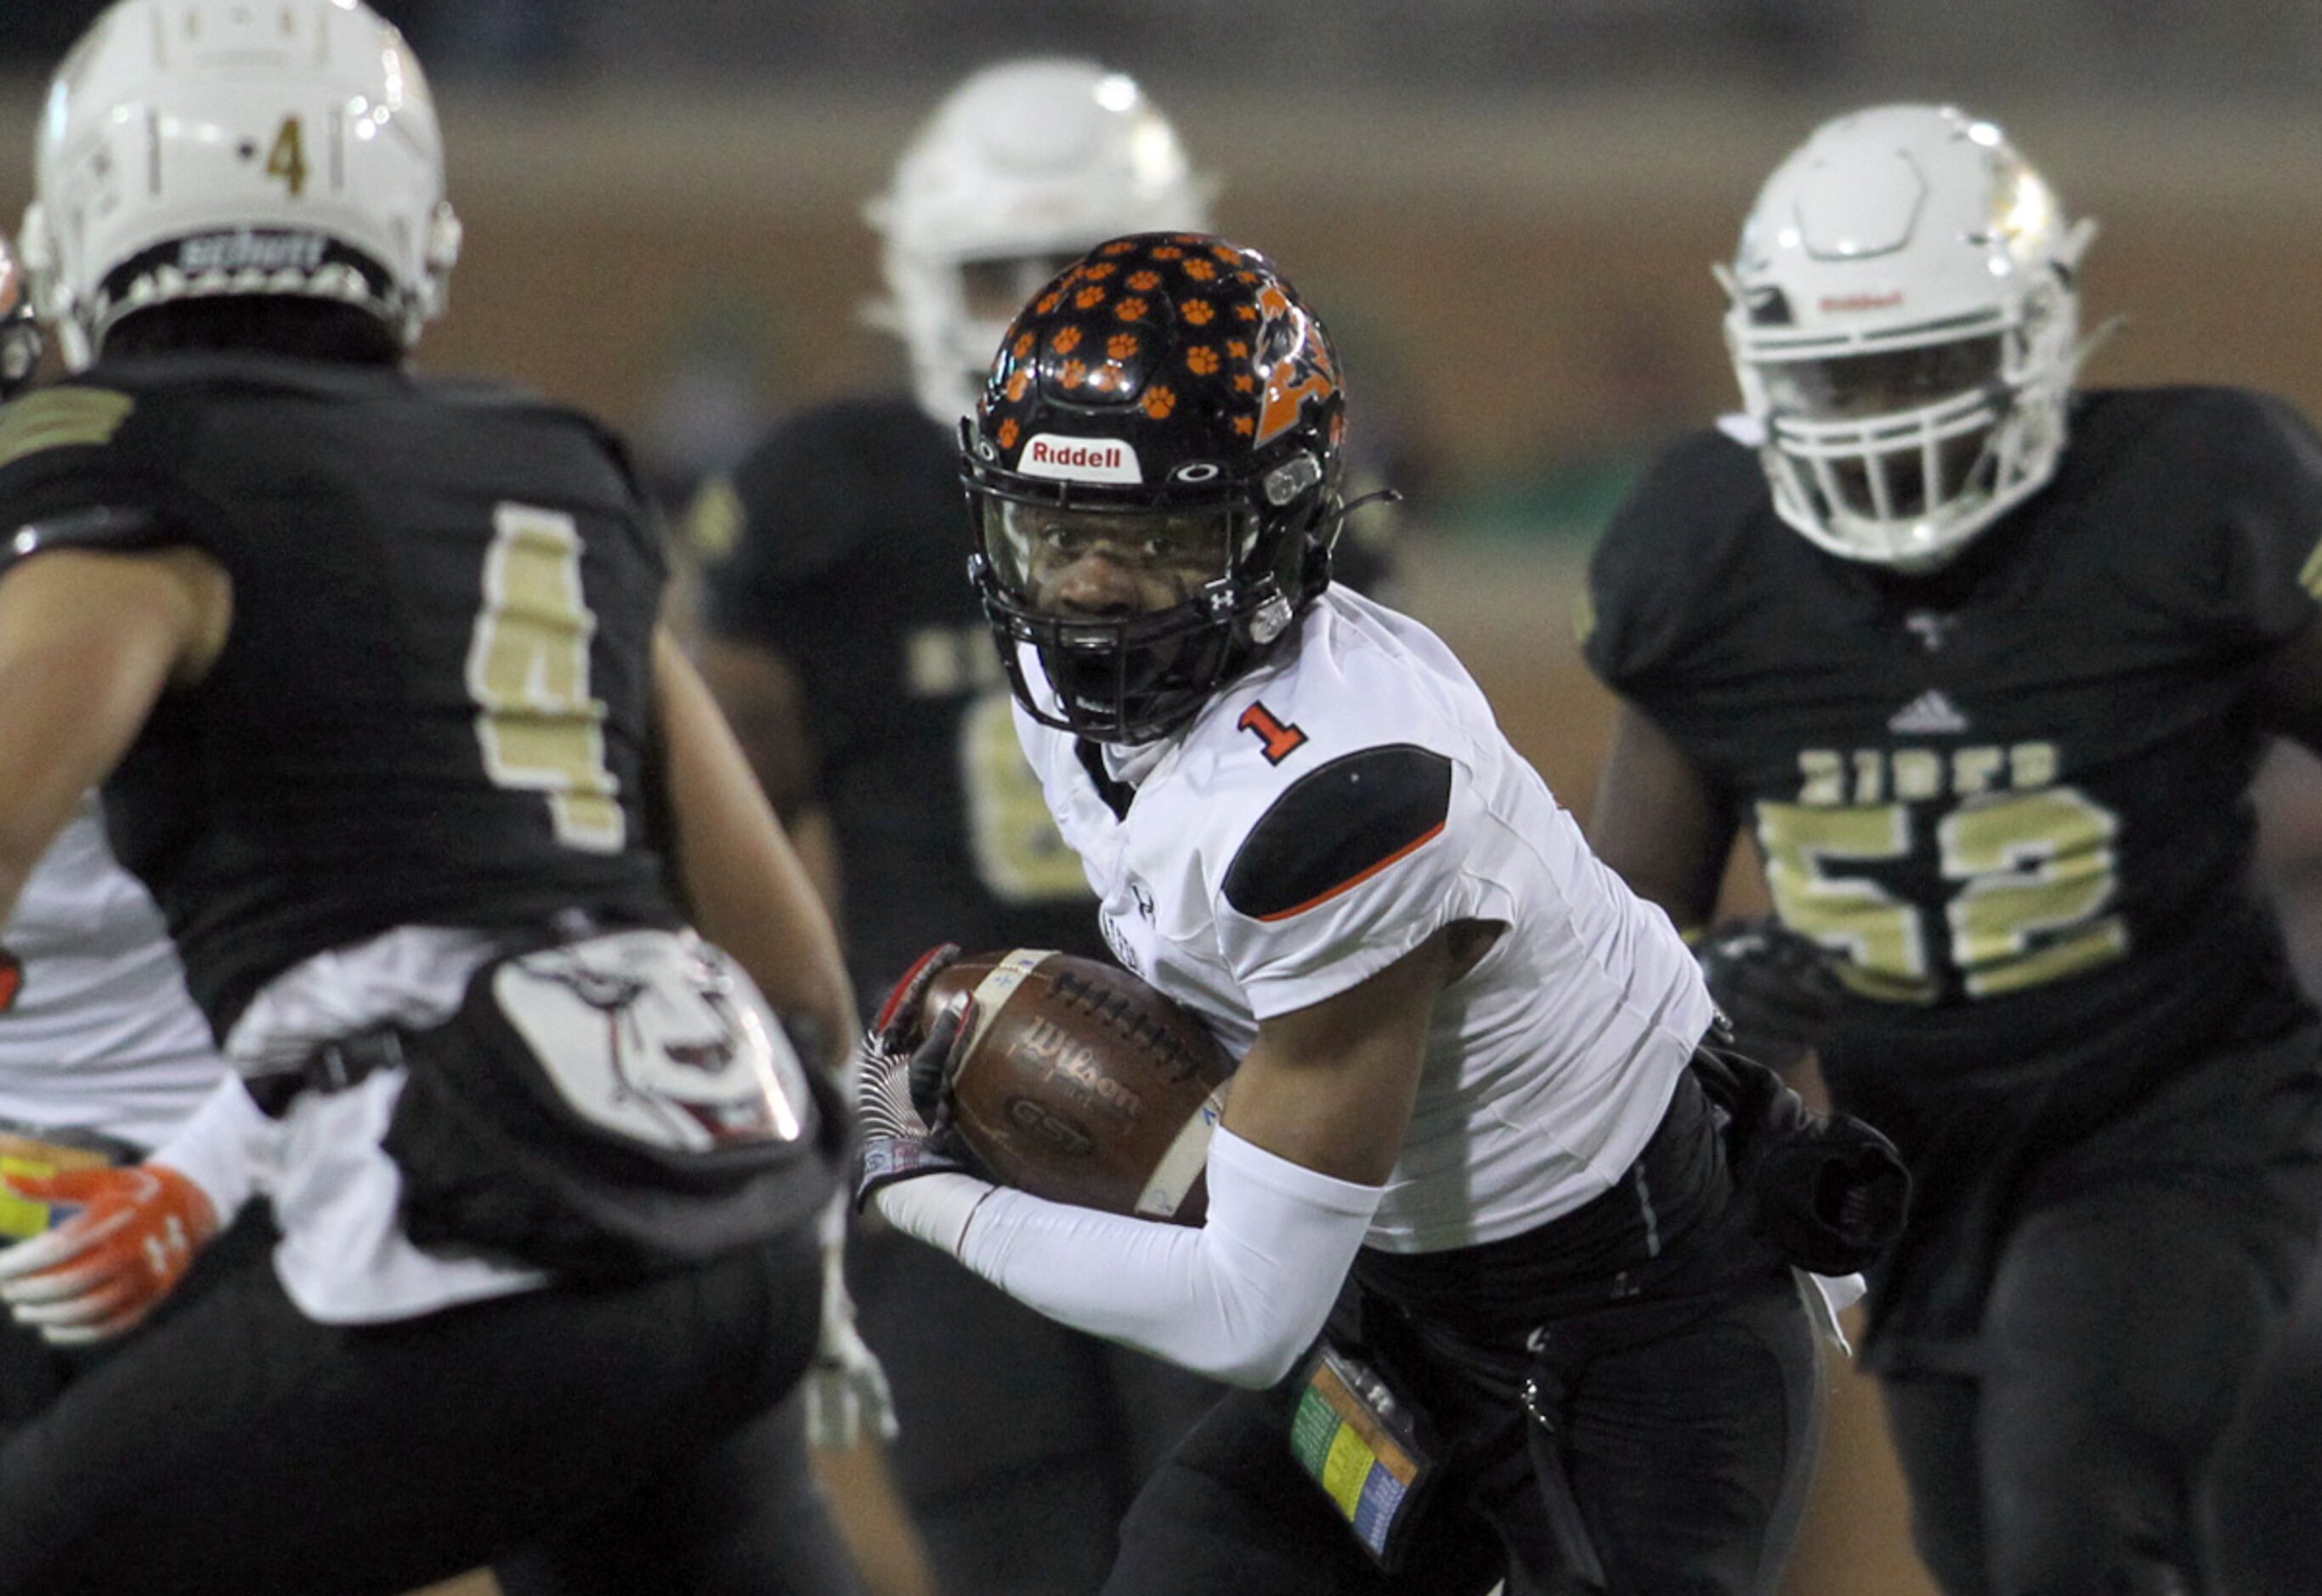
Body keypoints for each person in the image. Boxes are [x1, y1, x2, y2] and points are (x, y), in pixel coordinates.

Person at [856, 231, 1906, 1596]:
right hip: (1393, 1305)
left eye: (1157, 541)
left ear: (1282, 523)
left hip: (1628, 1344)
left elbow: (1245, 1307)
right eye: (1056, 533)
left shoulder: (1350, 796)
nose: (1092, 591)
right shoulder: (1090, 694)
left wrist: (921, 1182)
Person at [0, 3, 867, 1591]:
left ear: (87, 227)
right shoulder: (546, 463)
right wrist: (829, 1244)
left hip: (469, 1209)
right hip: (728, 1193)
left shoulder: (130, 480)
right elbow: (796, 965)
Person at [1577, 103, 2322, 1595]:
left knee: (2078, 1496)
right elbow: (1616, 939)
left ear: (2040, 333)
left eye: (1926, 362)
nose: (1890, 412)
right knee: (1987, 1550)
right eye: (1846, 370)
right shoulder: (1705, 553)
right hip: (1906, 1152)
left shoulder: (2196, 495)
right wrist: (1723, 993)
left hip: (2176, 1112)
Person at [688, 58, 1232, 1596]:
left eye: (1086, 272)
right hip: (938, 1116)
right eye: (999, 273)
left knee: (1234, 1541)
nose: (1042, 307)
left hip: (1229, 1112)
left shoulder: (1250, 478)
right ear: (920, 280)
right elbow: (704, 846)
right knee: (1017, 1546)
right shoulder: (838, 499)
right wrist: (767, 1087)